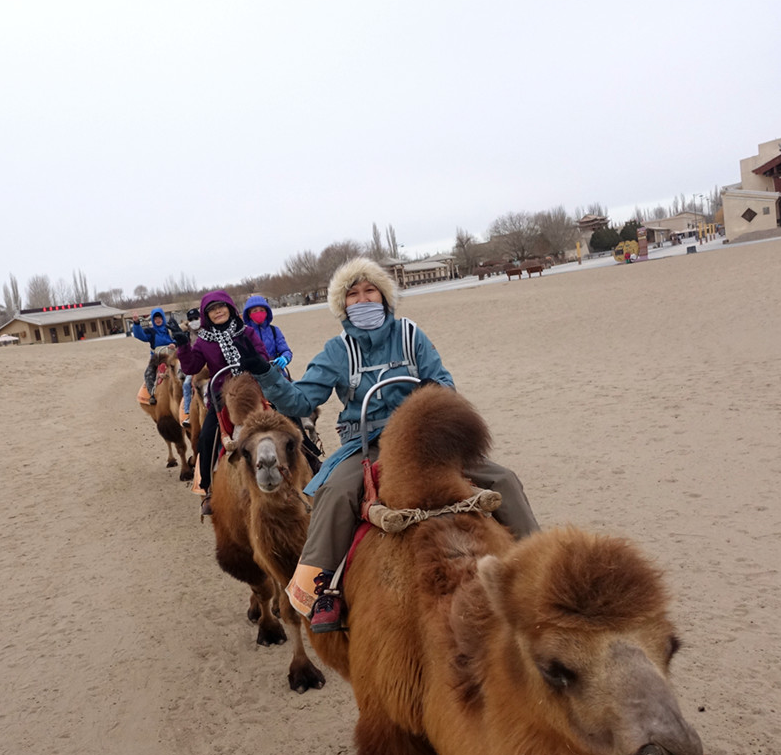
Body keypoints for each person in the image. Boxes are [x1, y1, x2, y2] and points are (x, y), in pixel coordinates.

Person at [232, 257, 540, 633]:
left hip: (423, 436)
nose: (362, 300)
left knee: (504, 479)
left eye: (370, 290)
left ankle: (537, 564)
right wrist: (265, 373)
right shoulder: (337, 350)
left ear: (384, 296)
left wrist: (431, 406)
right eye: (353, 295)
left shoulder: (412, 336)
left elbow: (442, 383)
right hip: (367, 442)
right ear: (342, 306)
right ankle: (320, 587)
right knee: (335, 492)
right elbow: (300, 401)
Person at [170, 290, 268, 516]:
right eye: (212, 309)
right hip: (223, 397)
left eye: (221, 306)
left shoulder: (247, 332)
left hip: (253, 390)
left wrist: (255, 359)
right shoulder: (204, 342)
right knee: (205, 438)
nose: (218, 311)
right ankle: (208, 490)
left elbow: (263, 357)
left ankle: (311, 461)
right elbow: (192, 367)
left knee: (289, 418)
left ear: (230, 308)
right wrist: (184, 347)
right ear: (207, 315)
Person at [129, 307, 176, 401]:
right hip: (157, 358)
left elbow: (178, 338)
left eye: (159, 318)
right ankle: (152, 395)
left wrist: (174, 343)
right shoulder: (151, 331)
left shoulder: (170, 329)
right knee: (148, 374)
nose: (158, 320)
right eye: (155, 318)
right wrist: (136, 323)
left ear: (163, 318)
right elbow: (141, 336)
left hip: (171, 357)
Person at [242, 295, 293, 377]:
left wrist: (285, 358)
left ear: (266, 312)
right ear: (249, 314)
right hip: (254, 377)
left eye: (262, 310)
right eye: (255, 311)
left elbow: (285, 350)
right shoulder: (244, 333)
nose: (259, 313)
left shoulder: (274, 330)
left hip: (276, 373)